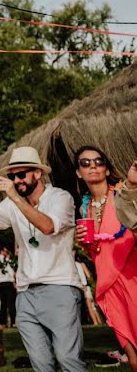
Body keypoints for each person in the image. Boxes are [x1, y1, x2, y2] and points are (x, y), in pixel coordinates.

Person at [0, 146, 86, 372]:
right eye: (12, 176)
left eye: (21, 175)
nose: (16, 181)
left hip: (60, 287)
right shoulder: (12, 203)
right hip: (25, 293)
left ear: (38, 173)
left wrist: (14, 197)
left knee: (68, 360)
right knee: (41, 364)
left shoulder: (60, 197)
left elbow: (48, 226)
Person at [73, 146, 137, 371]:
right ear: (78, 173)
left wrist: (131, 185)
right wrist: (81, 240)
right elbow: (96, 248)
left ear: (107, 170)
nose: (93, 166)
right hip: (109, 288)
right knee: (134, 360)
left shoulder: (123, 194)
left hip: (132, 277)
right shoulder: (84, 208)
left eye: (99, 162)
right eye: (85, 163)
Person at [0, 246, 16, 326]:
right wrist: (13, 282)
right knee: (11, 303)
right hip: (7, 283)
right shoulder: (5, 260)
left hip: (0, 284)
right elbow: (10, 272)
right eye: (6, 251)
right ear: (2, 251)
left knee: (3, 304)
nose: (6, 253)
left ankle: (3, 322)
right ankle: (13, 322)